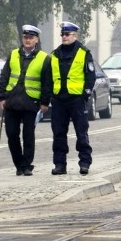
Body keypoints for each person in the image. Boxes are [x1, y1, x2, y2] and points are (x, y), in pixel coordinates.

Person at [0, 25, 51, 176]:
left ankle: (27, 165)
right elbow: (4, 76)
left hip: (31, 102)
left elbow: (47, 83)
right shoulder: (13, 54)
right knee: (12, 135)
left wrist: (45, 102)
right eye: (25, 37)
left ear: (36, 40)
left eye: (31, 38)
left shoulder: (44, 58)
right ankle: (19, 164)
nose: (27, 40)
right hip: (12, 101)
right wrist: (2, 97)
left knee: (28, 135)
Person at [49, 21, 96, 175]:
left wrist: (85, 95)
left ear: (75, 36)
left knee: (81, 133)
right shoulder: (55, 54)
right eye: (62, 34)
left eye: (67, 34)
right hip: (59, 100)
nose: (64, 37)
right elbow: (49, 77)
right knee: (58, 134)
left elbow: (90, 76)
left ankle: (84, 163)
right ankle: (60, 165)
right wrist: (51, 96)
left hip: (76, 100)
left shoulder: (84, 52)